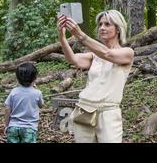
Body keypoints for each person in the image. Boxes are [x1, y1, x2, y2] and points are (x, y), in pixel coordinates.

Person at [57, 9, 134, 143]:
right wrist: (62, 38)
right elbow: (73, 59)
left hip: (108, 113)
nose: (102, 28)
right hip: (85, 110)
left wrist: (80, 35)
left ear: (118, 29)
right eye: (100, 24)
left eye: (107, 24)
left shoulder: (127, 53)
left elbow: (108, 54)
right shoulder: (94, 56)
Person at [4, 62, 44, 143]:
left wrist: (7, 125)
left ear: (17, 79)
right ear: (35, 78)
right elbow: (41, 105)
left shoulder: (14, 92)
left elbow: (7, 108)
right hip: (29, 128)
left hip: (13, 127)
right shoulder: (37, 93)